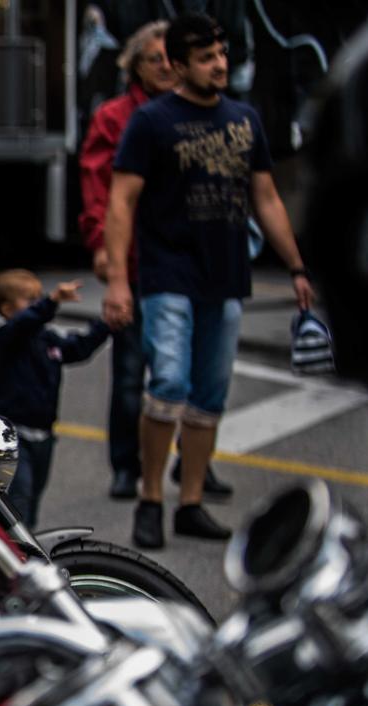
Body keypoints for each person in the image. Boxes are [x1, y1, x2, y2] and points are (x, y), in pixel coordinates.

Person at [102, 13, 316, 549]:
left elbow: (265, 197)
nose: (219, 65)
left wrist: (297, 266)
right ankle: (151, 499)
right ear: (176, 65)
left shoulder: (245, 119)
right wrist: (117, 282)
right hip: (167, 273)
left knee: (209, 396)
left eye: (221, 54)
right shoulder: (150, 122)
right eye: (205, 57)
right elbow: (122, 201)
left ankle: (190, 502)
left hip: (226, 277)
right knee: (169, 383)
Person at [82, 20, 231, 501]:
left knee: (197, 374)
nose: (166, 67)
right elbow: (99, 189)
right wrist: (104, 249)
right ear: (135, 66)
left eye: (172, 58)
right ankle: (127, 467)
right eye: (156, 59)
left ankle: (194, 467)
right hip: (140, 262)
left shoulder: (206, 114)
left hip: (195, 263)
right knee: (133, 372)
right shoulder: (116, 116)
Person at [0, 270, 110, 527]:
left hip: (45, 435)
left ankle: (26, 549)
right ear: (8, 310)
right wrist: (52, 301)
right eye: (30, 300)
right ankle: (19, 554)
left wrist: (105, 324)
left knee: (33, 498)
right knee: (19, 499)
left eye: (39, 298)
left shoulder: (47, 340)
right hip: (14, 436)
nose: (38, 305)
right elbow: (24, 323)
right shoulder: (6, 340)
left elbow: (78, 348)